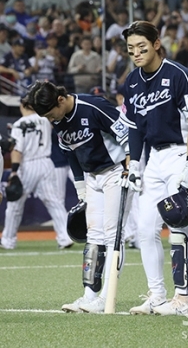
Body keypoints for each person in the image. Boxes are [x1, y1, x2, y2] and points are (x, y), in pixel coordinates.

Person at [120, 20, 188, 316]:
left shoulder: (181, 75)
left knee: (179, 224)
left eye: (142, 47)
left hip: (182, 152)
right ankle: (156, 295)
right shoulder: (131, 82)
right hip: (154, 159)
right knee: (145, 229)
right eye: (131, 49)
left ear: (157, 43)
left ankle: (182, 298)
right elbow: (133, 127)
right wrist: (133, 163)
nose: (136, 54)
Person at [23, 81, 131, 313]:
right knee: (94, 235)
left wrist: (131, 169)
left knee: (113, 234)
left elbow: (128, 135)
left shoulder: (93, 106)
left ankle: (107, 297)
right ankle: (89, 295)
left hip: (116, 171)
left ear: (60, 100)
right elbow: (71, 154)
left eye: (51, 115)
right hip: (92, 177)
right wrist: (81, 188)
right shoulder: (59, 119)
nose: (52, 120)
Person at [1, 99, 74, 251]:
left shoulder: (19, 124)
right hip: (47, 162)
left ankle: (8, 241)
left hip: (28, 165)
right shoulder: (44, 119)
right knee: (54, 202)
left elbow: (17, 150)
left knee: (15, 206)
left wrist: (14, 171)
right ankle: (65, 237)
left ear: (22, 105)